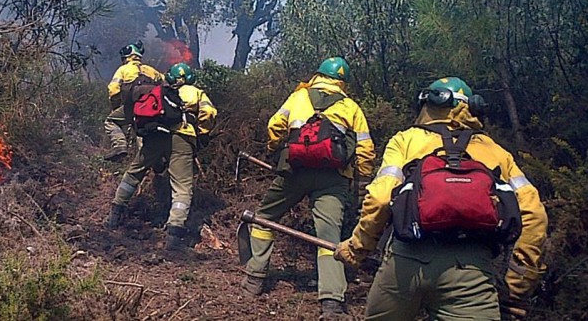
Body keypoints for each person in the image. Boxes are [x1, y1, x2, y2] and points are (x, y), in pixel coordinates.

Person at [334, 77, 548, 320]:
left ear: (427, 104)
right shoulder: (496, 152)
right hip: (471, 271)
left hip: (404, 263)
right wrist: (517, 285)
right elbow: (535, 215)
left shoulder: (406, 140)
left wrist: (356, 249)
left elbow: (381, 199)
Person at [240, 57, 376, 320]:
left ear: (318, 75)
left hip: (295, 171)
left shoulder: (298, 97)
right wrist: (360, 185)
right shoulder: (351, 107)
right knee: (328, 237)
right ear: (342, 81)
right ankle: (332, 303)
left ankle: (254, 280)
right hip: (333, 178)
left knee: (265, 218)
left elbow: (274, 126)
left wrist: (275, 152)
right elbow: (366, 150)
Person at [106, 62, 217, 250]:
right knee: (182, 188)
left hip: (156, 136)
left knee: (134, 174)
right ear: (190, 78)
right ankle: (174, 234)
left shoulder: (158, 90)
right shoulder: (196, 92)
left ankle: (114, 215)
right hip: (183, 138)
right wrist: (203, 132)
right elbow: (208, 112)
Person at [103, 41, 163, 162]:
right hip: (153, 110)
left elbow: (113, 90)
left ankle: (119, 146)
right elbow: (165, 84)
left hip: (134, 107)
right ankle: (156, 166)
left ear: (127, 56)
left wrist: (116, 107)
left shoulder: (124, 69)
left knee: (110, 121)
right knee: (145, 138)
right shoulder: (151, 70)